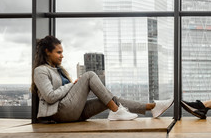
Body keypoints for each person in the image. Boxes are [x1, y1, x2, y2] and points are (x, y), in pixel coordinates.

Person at [31, 35, 173, 122]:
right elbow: (50, 97)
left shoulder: (59, 70)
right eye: (59, 52)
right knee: (90, 75)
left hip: (74, 112)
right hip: (59, 113)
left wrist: (74, 86)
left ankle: (152, 107)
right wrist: (73, 85)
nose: (62, 55)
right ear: (47, 52)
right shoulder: (40, 71)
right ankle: (117, 112)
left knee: (110, 98)